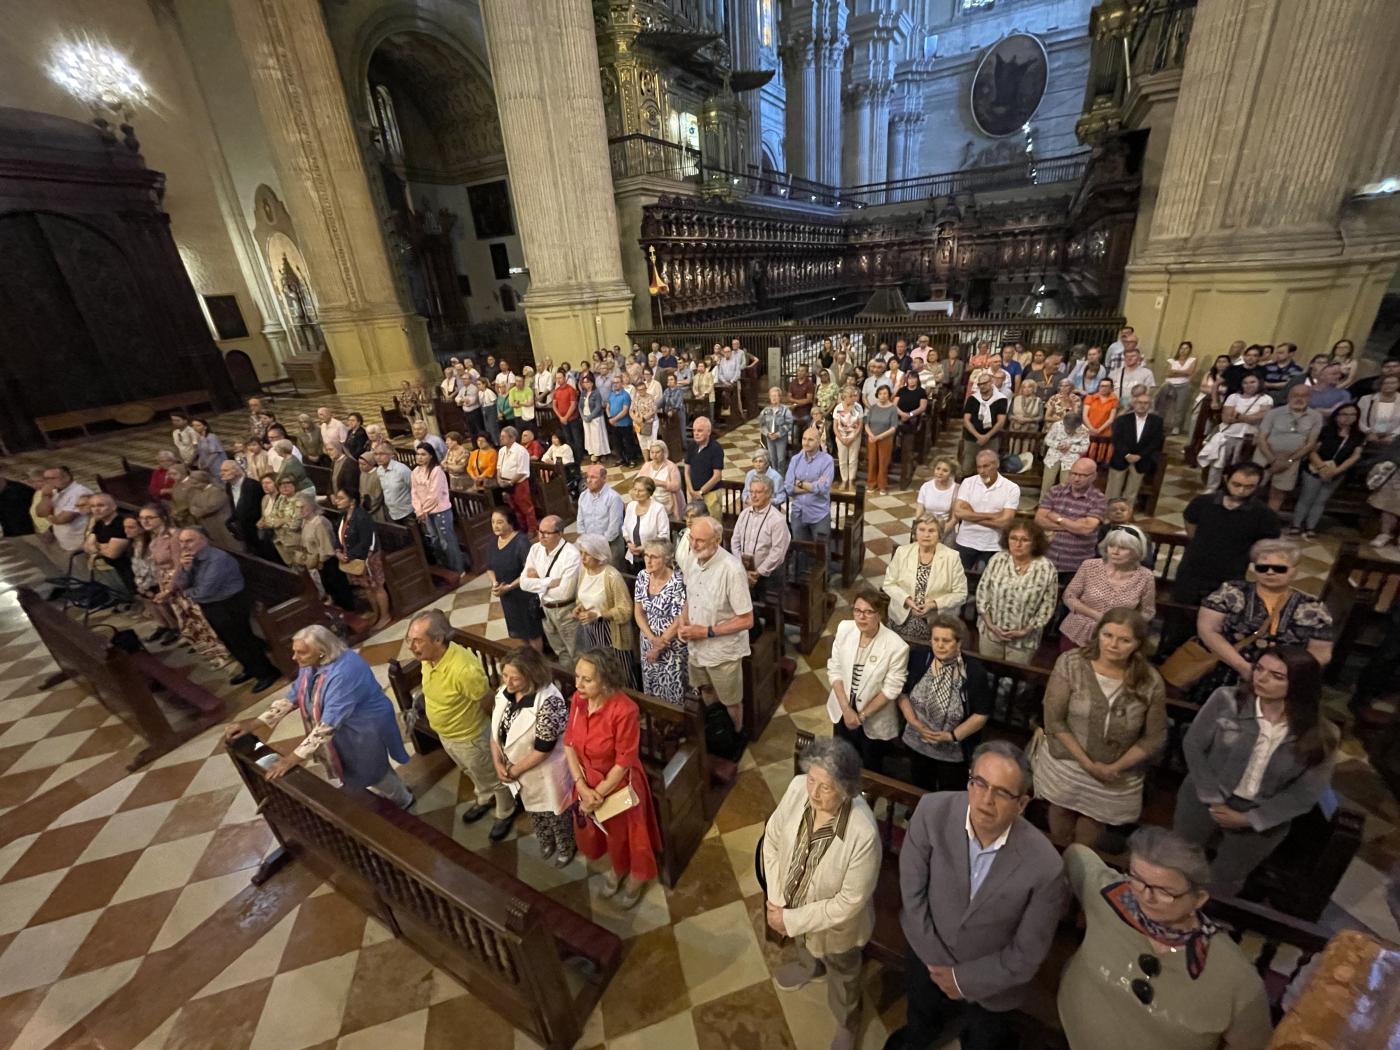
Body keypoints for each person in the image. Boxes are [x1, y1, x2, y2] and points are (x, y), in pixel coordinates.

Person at [885, 741, 1066, 1050]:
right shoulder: (932, 811)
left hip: (994, 985)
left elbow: (1027, 953)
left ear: (1022, 804)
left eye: (1002, 792)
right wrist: (939, 967)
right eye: (979, 783)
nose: (985, 801)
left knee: (984, 1041)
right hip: (927, 954)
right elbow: (913, 895)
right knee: (920, 1022)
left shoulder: (1045, 865)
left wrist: (962, 980)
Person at [1059, 828, 1272, 1050]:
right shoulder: (1109, 895)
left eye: (1164, 891)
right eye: (1137, 879)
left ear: (1198, 899)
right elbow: (1076, 854)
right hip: (1072, 1030)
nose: (1146, 897)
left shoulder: (1236, 979)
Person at [1175, 647, 1338, 896]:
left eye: (1276, 676)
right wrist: (1213, 798)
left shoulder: (1321, 732)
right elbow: (1194, 745)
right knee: (1178, 863)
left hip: (1262, 813)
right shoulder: (1227, 700)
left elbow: (1306, 792)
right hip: (1204, 798)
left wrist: (1252, 819)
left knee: (1225, 879)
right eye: (1259, 669)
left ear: (1300, 684)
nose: (1261, 679)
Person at [763, 737, 880, 1050]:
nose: (812, 792)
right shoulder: (798, 788)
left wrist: (792, 920)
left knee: (843, 970)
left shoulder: (863, 833)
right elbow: (772, 839)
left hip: (836, 926)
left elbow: (848, 902)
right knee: (805, 946)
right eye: (811, 779)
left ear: (846, 789)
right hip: (789, 905)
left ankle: (847, 1019)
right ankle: (809, 967)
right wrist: (776, 900)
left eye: (825, 787)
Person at [224, 625, 412, 804]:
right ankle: (392, 795)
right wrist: (252, 725)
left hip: (362, 728)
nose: (294, 657)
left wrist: (290, 760)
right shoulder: (313, 663)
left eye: (301, 652)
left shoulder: (345, 672)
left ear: (322, 650)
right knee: (355, 766)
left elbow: (327, 726)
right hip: (343, 727)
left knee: (372, 768)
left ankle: (403, 801)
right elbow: (294, 696)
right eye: (295, 651)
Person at [1034, 609, 1167, 848]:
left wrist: (1114, 767)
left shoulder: (1150, 680)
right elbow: (1054, 719)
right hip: (1069, 761)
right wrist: (1085, 763)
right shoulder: (1072, 663)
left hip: (1115, 772)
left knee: (1091, 826)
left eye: (1124, 640)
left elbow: (1154, 737)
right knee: (1060, 812)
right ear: (1098, 634)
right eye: (1108, 635)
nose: (1113, 645)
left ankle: (1078, 866)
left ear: (1138, 644)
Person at [405, 610, 521, 839]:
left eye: (417, 640)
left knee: (493, 775)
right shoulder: (428, 659)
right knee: (471, 770)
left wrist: (495, 737)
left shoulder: (463, 669)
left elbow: (487, 701)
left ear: (438, 639)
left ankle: (506, 809)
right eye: (409, 639)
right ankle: (485, 797)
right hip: (448, 735)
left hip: (471, 736)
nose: (411, 646)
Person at [563, 648, 662, 908]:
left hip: (618, 784)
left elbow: (623, 762)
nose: (578, 685)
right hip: (586, 782)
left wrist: (599, 793)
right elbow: (569, 744)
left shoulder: (624, 710)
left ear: (605, 680)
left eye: (587, 679)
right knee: (603, 833)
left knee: (626, 835)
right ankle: (618, 868)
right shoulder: (578, 700)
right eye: (577, 677)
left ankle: (635, 876)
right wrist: (581, 786)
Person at [1195, 538, 1334, 695]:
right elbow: (1207, 630)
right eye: (1263, 567)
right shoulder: (1231, 592)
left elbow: (1321, 653)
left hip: (1283, 681)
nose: (1270, 572)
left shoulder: (1313, 607)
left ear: (1294, 571)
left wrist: (1282, 674)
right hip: (1226, 670)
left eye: (1279, 568)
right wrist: (1243, 667)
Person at [490, 645, 575, 867]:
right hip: (516, 767)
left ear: (532, 675)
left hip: (545, 770)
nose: (508, 682)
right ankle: (546, 841)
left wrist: (513, 771)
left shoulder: (548, 700)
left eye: (515, 678)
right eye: (505, 675)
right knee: (534, 811)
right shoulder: (505, 692)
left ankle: (566, 848)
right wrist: (497, 761)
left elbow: (543, 748)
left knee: (555, 812)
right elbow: (495, 729)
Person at [172, 528, 280, 691]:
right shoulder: (192, 559)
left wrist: (188, 592)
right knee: (229, 641)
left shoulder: (217, 559)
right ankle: (249, 668)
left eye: (189, 541)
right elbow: (181, 583)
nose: (184, 546)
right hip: (213, 606)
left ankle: (267, 673)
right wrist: (185, 569)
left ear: (203, 539)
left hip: (229, 604)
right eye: (181, 542)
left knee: (242, 640)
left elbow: (203, 591)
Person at [897, 614, 991, 791]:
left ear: (959, 643)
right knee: (919, 787)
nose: (939, 645)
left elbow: (981, 714)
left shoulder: (974, 672)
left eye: (946, 641)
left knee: (949, 792)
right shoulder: (919, 657)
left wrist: (951, 736)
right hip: (916, 739)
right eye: (936, 639)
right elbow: (902, 694)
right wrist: (914, 722)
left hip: (952, 750)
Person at [676, 515, 754, 730]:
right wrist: (683, 622)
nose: (693, 544)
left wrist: (706, 631)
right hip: (697, 648)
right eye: (691, 538)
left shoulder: (732, 569)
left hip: (722, 652)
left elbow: (747, 620)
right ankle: (718, 731)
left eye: (699, 540)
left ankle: (735, 736)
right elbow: (690, 597)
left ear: (717, 540)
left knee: (731, 701)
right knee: (706, 690)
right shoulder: (692, 559)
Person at [1171, 463, 1281, 607]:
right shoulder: (1203, 502)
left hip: (1230, 576)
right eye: (1236, 484)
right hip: (1192, 571)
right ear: (1226, 479)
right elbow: (1190, 524)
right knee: (1179, 616)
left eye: (1249, 487)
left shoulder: (1264, 515)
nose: (1241, 491)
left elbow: (1266, 545)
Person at [825, 588, 908, 774]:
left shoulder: (897, 646)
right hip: (843, 709)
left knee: (870, 766)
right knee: (842, 760)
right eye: (857, 611)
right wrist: (846, 710)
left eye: (868, 612)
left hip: (873, 719)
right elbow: (834, 669)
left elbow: (891, 689)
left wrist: (861, 716)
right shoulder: (845, 628)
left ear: (879, 615)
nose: (861, 617)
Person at [882, 515, 969, 683]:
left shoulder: (952, 557)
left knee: (920, 665)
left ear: (940, 534)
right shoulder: (903, 552)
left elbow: (961, 593)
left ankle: (915, 688)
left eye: (931, 531)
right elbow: (889, 583)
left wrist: (933, 604)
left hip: (933, 623)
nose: (926, 534)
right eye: (921, 530)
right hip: (902, 617)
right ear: (915, 532)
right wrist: (907, 600)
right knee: (895, 660)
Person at [975, 520, 1059, 665]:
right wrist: (990, 624)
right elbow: (982, 592)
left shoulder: (1046, 568)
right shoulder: (997, 559)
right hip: (991, 632)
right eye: (1013, 538)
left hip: (1024, 638)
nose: (1018, 544)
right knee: (986, 673)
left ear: (1035, 542)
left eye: (1025, 540)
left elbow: (1048, 606)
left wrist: (1025, 631)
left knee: (1012, 681)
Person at [1060, 532, 1156, 648]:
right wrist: (1096, 615)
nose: (1115, 552)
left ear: (1136, 551)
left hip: (1116, 639)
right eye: (1111, 546)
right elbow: (1069, 596)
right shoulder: (1090, 566)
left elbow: (1147, 611)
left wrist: (1124, 626)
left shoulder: (1146, 576)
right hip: (1077, 631)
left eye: (1123, 548)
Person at [572, 533, 639, 688]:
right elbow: (582, 597)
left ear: (599, 555)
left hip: (610, 632)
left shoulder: (612, 576)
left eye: (587, 554)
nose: (583, 558)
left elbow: (625, 609)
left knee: (618, 672)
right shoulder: (583, 572)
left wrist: (599, 614)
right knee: (597, 671)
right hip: (590, 630)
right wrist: (579, 608)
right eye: (581, 553)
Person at [1290, 402, 1363, 538]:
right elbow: (1312, 451)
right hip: (1315, 469)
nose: (1348, 418)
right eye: (1344, 414)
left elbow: (1355, 456)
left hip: (1337, 472)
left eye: (1353, 415)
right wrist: (1322, 467)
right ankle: (1296, 524)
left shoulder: (1358, 435)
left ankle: (1311, 527)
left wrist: (1336, 471)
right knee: (1307, 497)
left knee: (1321, 500)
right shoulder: (1324, 430)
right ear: (1336, 416)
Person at [633, 539, 689, 707]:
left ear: (666, 559)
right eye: (646, 556)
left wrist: (660, 644)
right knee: (651, 683)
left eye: (654, 557)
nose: (648, 561)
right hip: (648, 642)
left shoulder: (678, 582)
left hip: (671, 646)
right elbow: (638, 611)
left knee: (673, 687)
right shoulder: (642, 577)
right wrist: (652, 639)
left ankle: (677, 724)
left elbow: (680, 619)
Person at [517, 516, 581, 660]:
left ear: (560, 533)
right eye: (540, 531)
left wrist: (537, 581)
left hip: (566, 611)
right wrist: (548, 582)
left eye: (547, 533)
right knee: (560, 652)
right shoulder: (535, 549)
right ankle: (569, 681)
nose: (541, 536)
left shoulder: (571, 555)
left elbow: (564, 593)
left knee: (576, 653)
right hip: (545, 608)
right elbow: (523, 583)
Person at [1252, 383, 1324, 512]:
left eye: (1304, 396)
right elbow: (1261, 438)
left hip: (1291, 461)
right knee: (1252, 488)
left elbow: (1310, 443)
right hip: (1265, 456)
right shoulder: (1274, 413)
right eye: (1295, 395)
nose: (1299, 399)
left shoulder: (1316, 417)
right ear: (1289, 397)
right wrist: (1273, 460)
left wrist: (1289, 460)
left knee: (1278, 493)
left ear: (1310, 398)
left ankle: (1268, 523)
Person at [1035, 456, 1108, 577]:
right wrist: (1074, 524)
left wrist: (1058, 518)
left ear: (1093, 476)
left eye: (1082, 475)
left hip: (1076, 564)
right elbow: (1039, 520)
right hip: (1047, 559)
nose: (1076, 479)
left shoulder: (1098, 499)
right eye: (1073, 473)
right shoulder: (1055, 491)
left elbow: (1086, 529)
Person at [328, 487, 389, 630]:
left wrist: (348, 555)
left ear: (352, 501)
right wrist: (337, 551)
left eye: (341, 498)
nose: (337, 501)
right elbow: (339, 535)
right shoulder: (344, 516)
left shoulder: (361, 516)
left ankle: (385, 616)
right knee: (367, 588)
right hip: (353, 558)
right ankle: (376, 613)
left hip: (368, 558)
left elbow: (366, 541)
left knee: (376, 587)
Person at [952, 449, 1020, 572]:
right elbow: (958, 512)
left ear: (997, 465)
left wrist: (971, 516)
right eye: (979, 467)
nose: (982, 471)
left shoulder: (1011, 488)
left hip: (994, 544)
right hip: (966, 540)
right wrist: (994, 515)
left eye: (986, 466)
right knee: (959, 581)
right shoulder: (968, 483)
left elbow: (1005, 522)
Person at [486, 508, 543, 649]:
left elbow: (530, 571)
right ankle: (529, 659)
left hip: (524, 594)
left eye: (500, 522)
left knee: (532, 632)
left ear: (510, 523)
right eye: (493, 522)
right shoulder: (494, 543)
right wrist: (495, 583)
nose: (495, 526)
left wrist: (510, 586)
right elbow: (489, 567)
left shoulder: (521, 542)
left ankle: (539, 662)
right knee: (519, 632)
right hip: (507, 597)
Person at [411, 442, 465, 573]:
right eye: (418, 454)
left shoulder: (437, 470)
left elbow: (434, 494)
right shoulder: (415, 472)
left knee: (446, 541)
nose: (420, 457)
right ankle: (445, 567)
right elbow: (414, 493)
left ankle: (458, 568)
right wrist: (418, 510)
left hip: (440, 510)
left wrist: (423, 510)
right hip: (426, 513)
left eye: (423, 454)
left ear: (430, 456)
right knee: (435, 540)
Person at [1106, 393, 1165, 504]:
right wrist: (1127, 454)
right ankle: (1107, 516)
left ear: (1150, 405)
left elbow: (1156, 441)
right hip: (1121, 458)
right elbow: (1116, 439)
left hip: (1141, 460)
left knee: (1132, 492)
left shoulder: (1157, 421)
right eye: (1139, 402)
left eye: (1146, 403)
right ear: (1134, 404)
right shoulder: (1122, 419)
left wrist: (1140, 455)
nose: (1142, 405)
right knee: (1113, 491)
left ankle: (1125, 516)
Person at [37, 465, 92, 574]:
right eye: (46, 479)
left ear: (66, 477)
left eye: (52, 478)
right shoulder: (54, 492)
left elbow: (63, 519)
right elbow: (41, 512)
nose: (48, 483)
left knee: (94, 572)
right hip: (68, 542)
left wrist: (50, 517)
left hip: (83, 542)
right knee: (82, 572)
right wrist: (45, 496)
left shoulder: (79, 492)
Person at [786, 427, 836, 543]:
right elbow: (788, 488)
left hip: (818, 514)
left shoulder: (827, 460)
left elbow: (822, 488)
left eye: (810, 440)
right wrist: (812, 486)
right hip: (798, 513)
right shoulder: (795, 459)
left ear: (818, 442)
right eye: (804, 439)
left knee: (822, 553)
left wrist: (799, 483)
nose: (806, 443)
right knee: (800, 551)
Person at [576, 463, 626, 567]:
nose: (589, 480)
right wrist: (587, 542)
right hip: (589, 545)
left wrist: (598, 546)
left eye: (593, 477)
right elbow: (580, 522)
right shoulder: (583, 496)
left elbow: (614, 529)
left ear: (604, 478)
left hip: (610, 546)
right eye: (587, 477)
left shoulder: (613, 498)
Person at [960, 371, 1010, 476]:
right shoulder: (973, 399)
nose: (982, 386)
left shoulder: (1000, 399)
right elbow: (966, 420)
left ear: (991, 382)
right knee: (967, 467)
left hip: (991, 439)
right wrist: (978, 435)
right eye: (980, 384)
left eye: (985, 383)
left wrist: (987, 436)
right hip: (972, 438)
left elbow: (1001, 422)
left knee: (990, 467)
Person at [495, 426, 537, 536]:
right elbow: (499, 467)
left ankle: (532, 529)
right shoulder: (501, 451)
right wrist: (499, 478)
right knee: (514, 507)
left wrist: (511, 482)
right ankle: (522, 527)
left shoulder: (521, 451)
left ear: (512, 438)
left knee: (526, 507)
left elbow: (522, 471)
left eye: (503, 437)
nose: (501, 438)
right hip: (505, 483)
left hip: (519, 483)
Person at [622, 477, 669, 569]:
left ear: (649, 492)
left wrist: (645, 547)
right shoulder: (631, 506)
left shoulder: (658, 509)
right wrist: (628, 542)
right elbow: (624, 528)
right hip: (632, 557)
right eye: (635, 489)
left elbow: (664, 535)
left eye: (640, 491)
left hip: (653, 558)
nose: (636, 493)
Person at [684, 416, 725, 517]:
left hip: (711, 494)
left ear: (709, 432)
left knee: (712, 526)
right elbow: (686, 471)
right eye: (694, 431)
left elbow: (717, 476)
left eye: (700, 431)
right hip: (692, 493)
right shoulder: (692, 445)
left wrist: (701, 492)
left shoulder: (716, 448)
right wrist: (691, 491)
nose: (696, 434)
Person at [639, 438, 684, 520]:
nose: (654, 455)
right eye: (652, 452)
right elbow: (638, 481)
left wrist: (661, 483)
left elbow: (677, 486)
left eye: (657, 452)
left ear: (664, 452)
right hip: (652, 503)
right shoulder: (647, 466)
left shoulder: (671, 466)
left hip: (669, 503)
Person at [831, 386, 864, 490]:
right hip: (841, 437)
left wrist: (852, 437)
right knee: (842, 460)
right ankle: (844, 480)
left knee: (853, 460)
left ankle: (851, 481)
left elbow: (860, 425)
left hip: (854, 437)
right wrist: (841, 438)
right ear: (844, 397)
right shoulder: (838, 408)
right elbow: (835, 426)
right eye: (851, 396)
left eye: (854, 395)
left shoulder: (858, 407)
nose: (853, 398)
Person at [373, 444, 414, 524]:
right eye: (376, 454)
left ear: (391, 454)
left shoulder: (402, 470)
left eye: (382, 454)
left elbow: (415, 488)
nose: (378, 457)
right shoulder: (379, 470)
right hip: (392, 513)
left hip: (408, 513)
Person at [759, 386, 795, 473]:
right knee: (772, 458)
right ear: (770, 397)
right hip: (769, 438)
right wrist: (767, 433)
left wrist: (778, 434)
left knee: (781, 459)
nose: (774, 398)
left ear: (780, 397)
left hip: (781, 438)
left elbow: (789, 424)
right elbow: (761, 424)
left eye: (776, 396)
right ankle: (774, 475)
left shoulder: (785, 410)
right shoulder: (766, 411)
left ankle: (781, 476)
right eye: (772, 396)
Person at [915, 457, 959, 524]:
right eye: (938, 469)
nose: (940, 473)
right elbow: (919, 512)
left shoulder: (956, 489)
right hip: (928, 525)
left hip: (945, 526)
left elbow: (954, 519)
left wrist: (941, 533)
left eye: (945, 471)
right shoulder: (926, 486)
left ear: (951, 473)